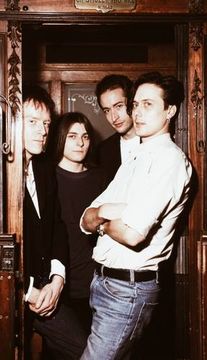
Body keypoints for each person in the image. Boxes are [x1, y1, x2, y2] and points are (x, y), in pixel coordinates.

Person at [80, 71, 193, 359]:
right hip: (105, 285)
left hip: (127, 291)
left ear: (170, 110)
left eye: (149, 104)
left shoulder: (169, 161)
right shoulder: (135, 158)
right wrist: (106, 213)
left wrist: (102, 224)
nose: (138, 112)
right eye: (136, 104)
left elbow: (132, 234)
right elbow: (85, 219)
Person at [23, 85, 86, 359]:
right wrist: (27, 292)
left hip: (46, 289)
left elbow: (57, 226)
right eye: (33, 122)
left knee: (87, 350)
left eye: (46, 123)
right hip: (14, 293)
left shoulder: (44, 167)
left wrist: (58, 278)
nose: (43, 130)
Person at [54, 111, 106, 336]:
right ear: (61, 138)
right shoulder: (47, 177)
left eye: (85, 136)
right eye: (72, 136)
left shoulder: (101, 178)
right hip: (59, 283)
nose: (80, 142)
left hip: (97, 283)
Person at [95, 74, 140, 185]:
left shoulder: (155, 144)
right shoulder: (102, 151)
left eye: (118, 106)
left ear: (131, 103)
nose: (114, 117)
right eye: (107, 110)